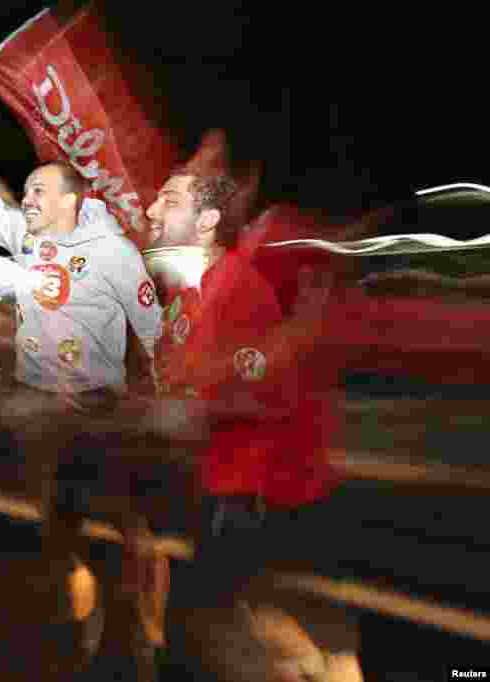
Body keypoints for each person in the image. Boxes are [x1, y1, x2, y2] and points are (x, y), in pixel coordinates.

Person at [0, 122, 165, 673]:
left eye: (38, 192)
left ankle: (147, 641)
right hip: (54, 418)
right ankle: (86, 640)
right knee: (61, 531)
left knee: (129, 532)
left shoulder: (112, 252)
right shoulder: (28, 240)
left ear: (71, 202)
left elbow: (152, 328)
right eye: (26, 192)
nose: (26, 199)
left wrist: (158, 392)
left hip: (106, 414)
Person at [137, 164, 352, 677]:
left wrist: (190, 406)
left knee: (234, 623)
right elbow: (174, 379)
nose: (150, 210)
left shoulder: (237, 287)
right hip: (213, 485)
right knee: (233, 623)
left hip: (253, 494)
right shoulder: (185, 297)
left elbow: (268, 394)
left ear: (207, 219)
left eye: (169, 200)